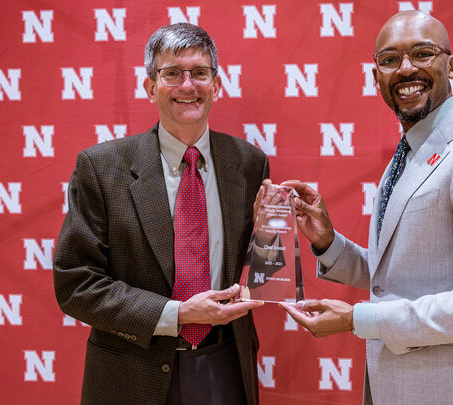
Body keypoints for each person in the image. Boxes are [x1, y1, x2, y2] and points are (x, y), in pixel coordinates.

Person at [280, 10, 453, 404]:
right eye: (389, 60)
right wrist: (329, 242)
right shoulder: (411, 153)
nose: (406, 69)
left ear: (451, 66)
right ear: (376, 75)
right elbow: (401, 279)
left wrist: (358, 319)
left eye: (422, 54)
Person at [53, 23, 267, 405]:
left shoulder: (249, 163)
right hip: (132, 370)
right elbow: (76, 283)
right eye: (172, 74)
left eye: (200, 73)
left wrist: (275, 253)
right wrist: (177, 313)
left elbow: (264, 263)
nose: (188, 86)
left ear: (216, 85)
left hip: (225, 363)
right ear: (150, 86)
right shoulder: (101, 167)